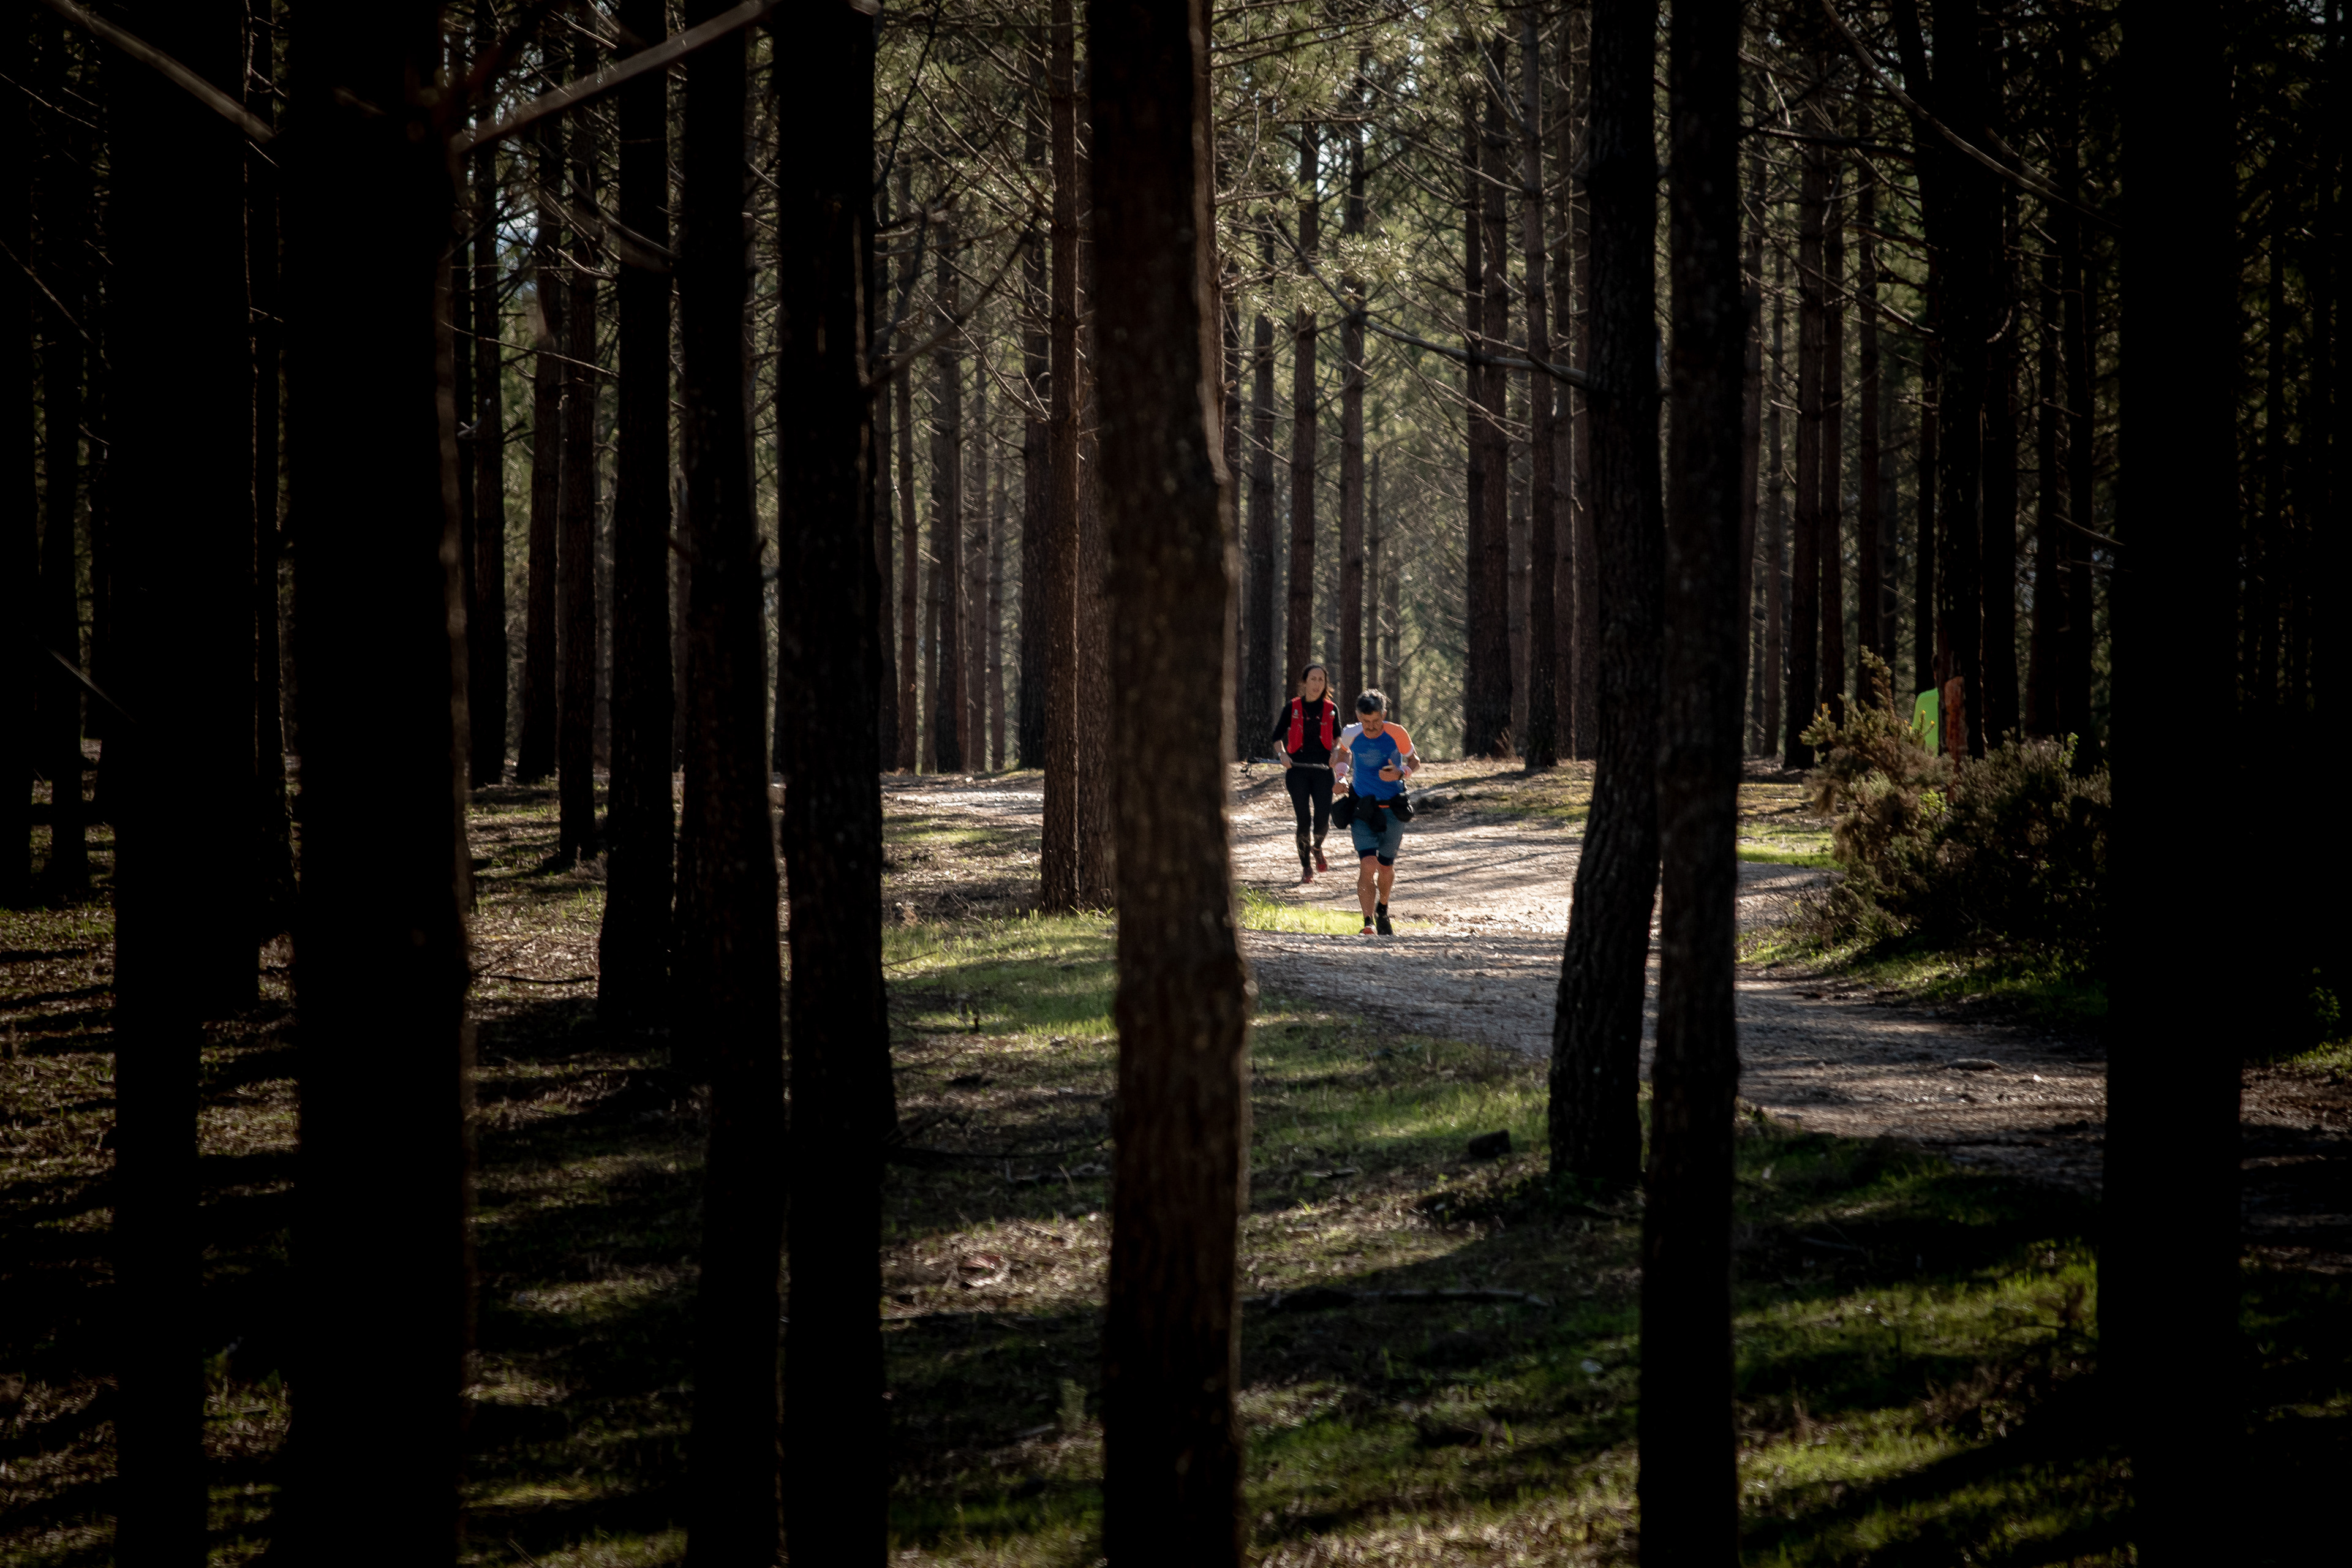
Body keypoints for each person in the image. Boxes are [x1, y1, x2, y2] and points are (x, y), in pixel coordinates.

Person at [1333, 690, 1417, 935]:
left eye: (1376, 721)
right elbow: (1342, 755)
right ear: (1359, 716)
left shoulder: (1397, 733)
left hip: (1392, 807)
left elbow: (1415, 761)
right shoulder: (1351, 733)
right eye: (1366, 722)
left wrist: (1401, 773)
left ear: (1384, 715)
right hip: (1363, 807)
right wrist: (1340, 777)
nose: (1371, 727)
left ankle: (1383, 908)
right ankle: (1368, 922)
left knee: (1386, 867)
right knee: (1368, 865)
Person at [1266, 663, 1339, 883]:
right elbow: (1276, 737)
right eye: (1313, 679)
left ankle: (1317, 848)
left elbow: (1338, 739)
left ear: (1325, 684)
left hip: (1323, 772)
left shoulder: (1331, 709)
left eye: (1321, 680)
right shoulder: (1292, 707)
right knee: (1304, 821)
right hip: (1297, 771)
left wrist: (1336, 753)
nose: (1317, 684)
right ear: (1304, 682)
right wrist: (1283, 756)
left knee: (1323, 821)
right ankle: (1306, 867)